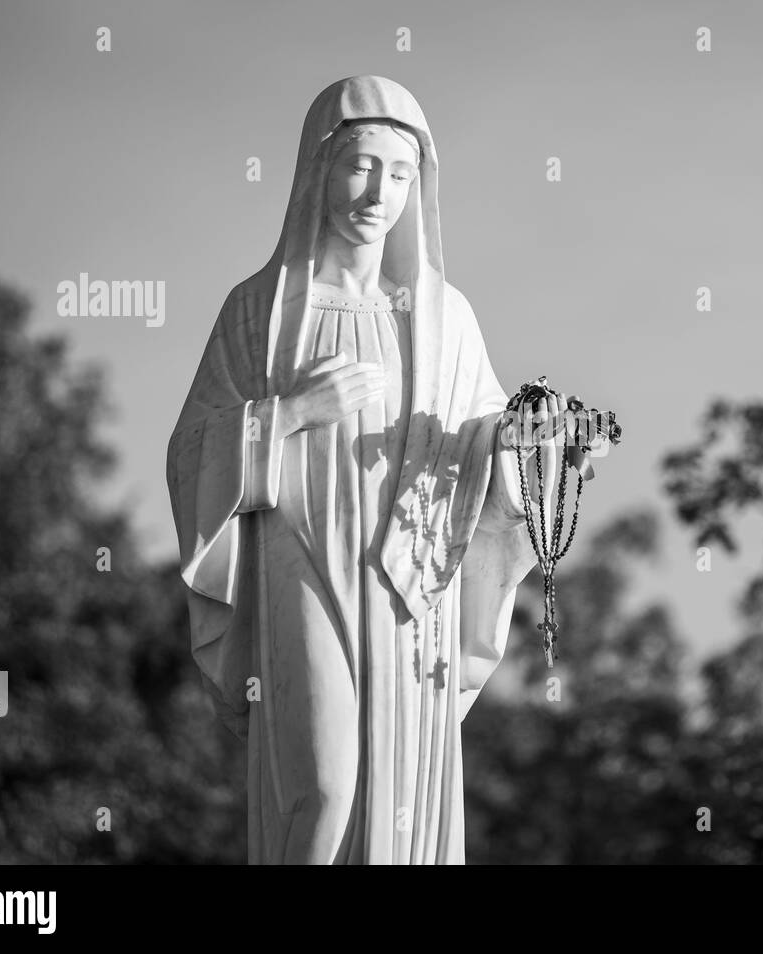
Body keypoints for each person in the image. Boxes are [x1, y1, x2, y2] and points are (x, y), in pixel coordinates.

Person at [166, 75, 594, 863]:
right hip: (298, 560)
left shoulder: (442, 315)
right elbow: (192, 448)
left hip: (408, 580)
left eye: (400, 175)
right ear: (318, 169)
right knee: (323, 788)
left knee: (394, 805)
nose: (378, 193)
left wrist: (538, 444)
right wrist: (287, 415)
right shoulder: (259, 311)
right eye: (361, 166)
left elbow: (482, 446)